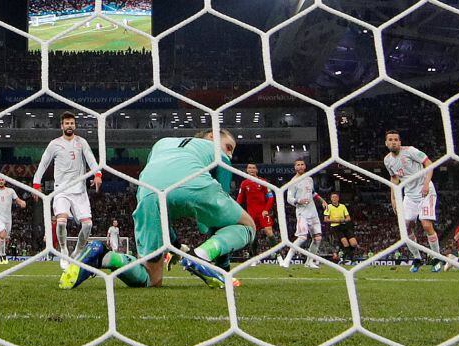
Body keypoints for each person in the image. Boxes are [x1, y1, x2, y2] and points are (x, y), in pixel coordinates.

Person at [59, 129, 255, 290]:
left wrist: (177, 247)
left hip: (147, 193)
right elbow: (221, 200)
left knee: (151, 281)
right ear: (212, 136)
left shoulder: (162, 143)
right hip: (194, 184)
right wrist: (223, 268)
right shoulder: (213, 149)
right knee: (247, 225)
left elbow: (162, 213)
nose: (229, 154)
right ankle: (202, 255)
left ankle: (104, 256)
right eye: (228, 147)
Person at [33, 112, 101, 270]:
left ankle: (77, 253)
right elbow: (43, 164)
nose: (69, 126)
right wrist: (36, 184)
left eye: (72, 123)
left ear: (75, 125)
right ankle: (63, 251)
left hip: (79, 190)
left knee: (88, 225)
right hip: (61, 190)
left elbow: (91, 159)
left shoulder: (81, 142)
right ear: (61, 126)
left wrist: (98, 175)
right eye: (67, 123)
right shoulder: (54, 144)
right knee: (61, 221)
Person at [384, 130, 441, 273]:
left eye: (396, 139)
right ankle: (417, 259)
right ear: (386, 143)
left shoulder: (410, 151)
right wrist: (394, 198)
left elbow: (429, 163)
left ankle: (436, 258)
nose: (393, 142)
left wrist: (427, 183)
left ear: (400, 142)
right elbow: (395, 179)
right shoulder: (387, 160)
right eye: (390, 139)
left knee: (426, 225)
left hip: (425, 192)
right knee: (406, 227)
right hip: (409, 195)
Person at [281, 159, 327, 269]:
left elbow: (313, 193)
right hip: (302, 213)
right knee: (302, 237)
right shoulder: (292, 182)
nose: (300, 166)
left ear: (305, 166)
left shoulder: (309, 179)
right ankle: (287, 260)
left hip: (313, 212)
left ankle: (309, 262)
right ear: (295, 167)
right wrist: (298, 201)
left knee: (318, 238)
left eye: (302, 164)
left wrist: (322, 200)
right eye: (298, 165)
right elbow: (289, 199)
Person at [236, 163, 277, 265]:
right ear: (247, 170)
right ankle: (255, 258)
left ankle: (278, 256)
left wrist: (266, 210)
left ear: (256, 170)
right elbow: (239, 200)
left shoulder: (263, 182)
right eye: (249, 168)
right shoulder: (244, 184)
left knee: (269, 231)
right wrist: (236, 210)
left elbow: (271, 197)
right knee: (254, 235)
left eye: (253, 168)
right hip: (251, 214)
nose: (251, 170)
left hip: (263, 213)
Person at [0, 176, 26, 264]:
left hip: (8, 218)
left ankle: (2, 253)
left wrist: (22, 203)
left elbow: (17, 200)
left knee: (5, 238)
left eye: (2, 180)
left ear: (5, 181)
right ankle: (2, 256)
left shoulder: (11, 191)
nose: (1, 181)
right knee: (2, 234)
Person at [323, 193, 358, 264]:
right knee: (345, 243)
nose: (334, 198)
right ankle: (351, 259)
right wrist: (337, 220)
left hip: (344, 225)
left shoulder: (342, 206)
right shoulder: (328, 207)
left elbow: (348, 218)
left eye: (336, 197)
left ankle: (344, 255)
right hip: (335, 227)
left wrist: (344, 220)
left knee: (354, 243)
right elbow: (325, 219)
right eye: (333, 197)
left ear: (338, 198)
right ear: (331, 199)